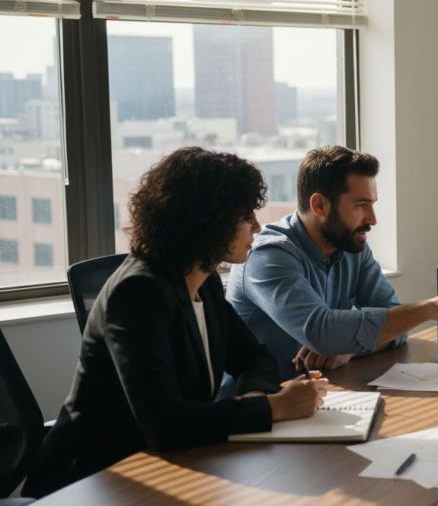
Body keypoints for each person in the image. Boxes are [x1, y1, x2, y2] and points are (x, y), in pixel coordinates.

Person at [22, 148, 327, 498]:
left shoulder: (205, 281)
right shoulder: (137, 292)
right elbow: (166, 424)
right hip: (92, 480)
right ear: (207, 219)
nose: (256, 226)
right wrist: (274, 408)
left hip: (168, 464)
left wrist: (255, 398)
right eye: (245, 215)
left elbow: (253, 357)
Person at [227, 145, 438, 379]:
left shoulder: (352, 245)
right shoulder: (268, 255)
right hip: (258, 407)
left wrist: (349, 351)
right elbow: (323, 332)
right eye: (361, 205)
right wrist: (428, 309)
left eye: (372, 204)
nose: (373, 219)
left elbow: (397, 327)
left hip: (321, 394)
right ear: (319, 205)